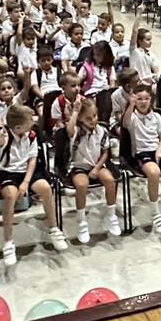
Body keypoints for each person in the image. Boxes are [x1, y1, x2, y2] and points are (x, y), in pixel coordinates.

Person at [0, 103, 66, 267]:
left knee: (45, 188)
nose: (33, 122)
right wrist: (0, 139)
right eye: (29, 121)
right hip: (8, 172)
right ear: (18, 126)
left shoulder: (32, 135)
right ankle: (8, 242)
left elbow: (32, 160)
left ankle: (54, 229)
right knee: (10, 195)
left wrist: (25, 183)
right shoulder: (5, 136)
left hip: (28, 172)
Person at [120, 83, 161, 234]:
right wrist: (130, 104)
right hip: (142, 153)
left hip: (159, 150)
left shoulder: (156, 116)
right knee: (154, 173)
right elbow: (124, 123)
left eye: (146, 98)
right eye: (139, 99)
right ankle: (155, 214)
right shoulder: (132, 117)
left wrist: (159, 151)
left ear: (151, 100)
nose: (143, 102)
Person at [62, 97, 121, 244]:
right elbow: (69, 129)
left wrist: (96, 168)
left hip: (97, 165)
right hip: (79, 167)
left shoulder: (102, 131)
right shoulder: (76, 131)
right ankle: (82, 222)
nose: (93, 120)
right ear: (81, 119)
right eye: (88, 118)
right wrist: (75, 110)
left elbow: (105, 153)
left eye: (94, 116)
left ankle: (111, 215)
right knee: (82, 185)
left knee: (110, 180)